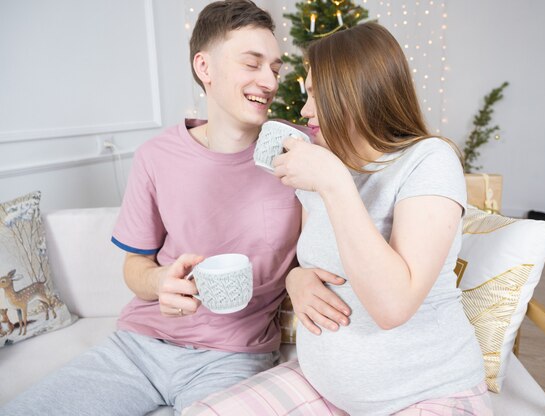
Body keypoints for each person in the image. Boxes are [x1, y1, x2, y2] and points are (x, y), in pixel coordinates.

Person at [2, 1, 301, 415]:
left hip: (232, 357)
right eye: (252, 64)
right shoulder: (155, 156)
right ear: (205, 67)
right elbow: (134, 267)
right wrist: (160, 282)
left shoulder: (299, 150)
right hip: (137, 348)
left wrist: (302, 279)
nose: (269, 80)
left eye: (275, 67)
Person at [183, 22, 492, 416]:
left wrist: (335, 184)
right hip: (322, 388)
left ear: (356, 92)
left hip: (427, 393)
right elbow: (314, 259)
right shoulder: (322, 166)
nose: (304, 110)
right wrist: (295, 279)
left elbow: (392, 306)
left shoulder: (428, 160)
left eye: (314, 94)